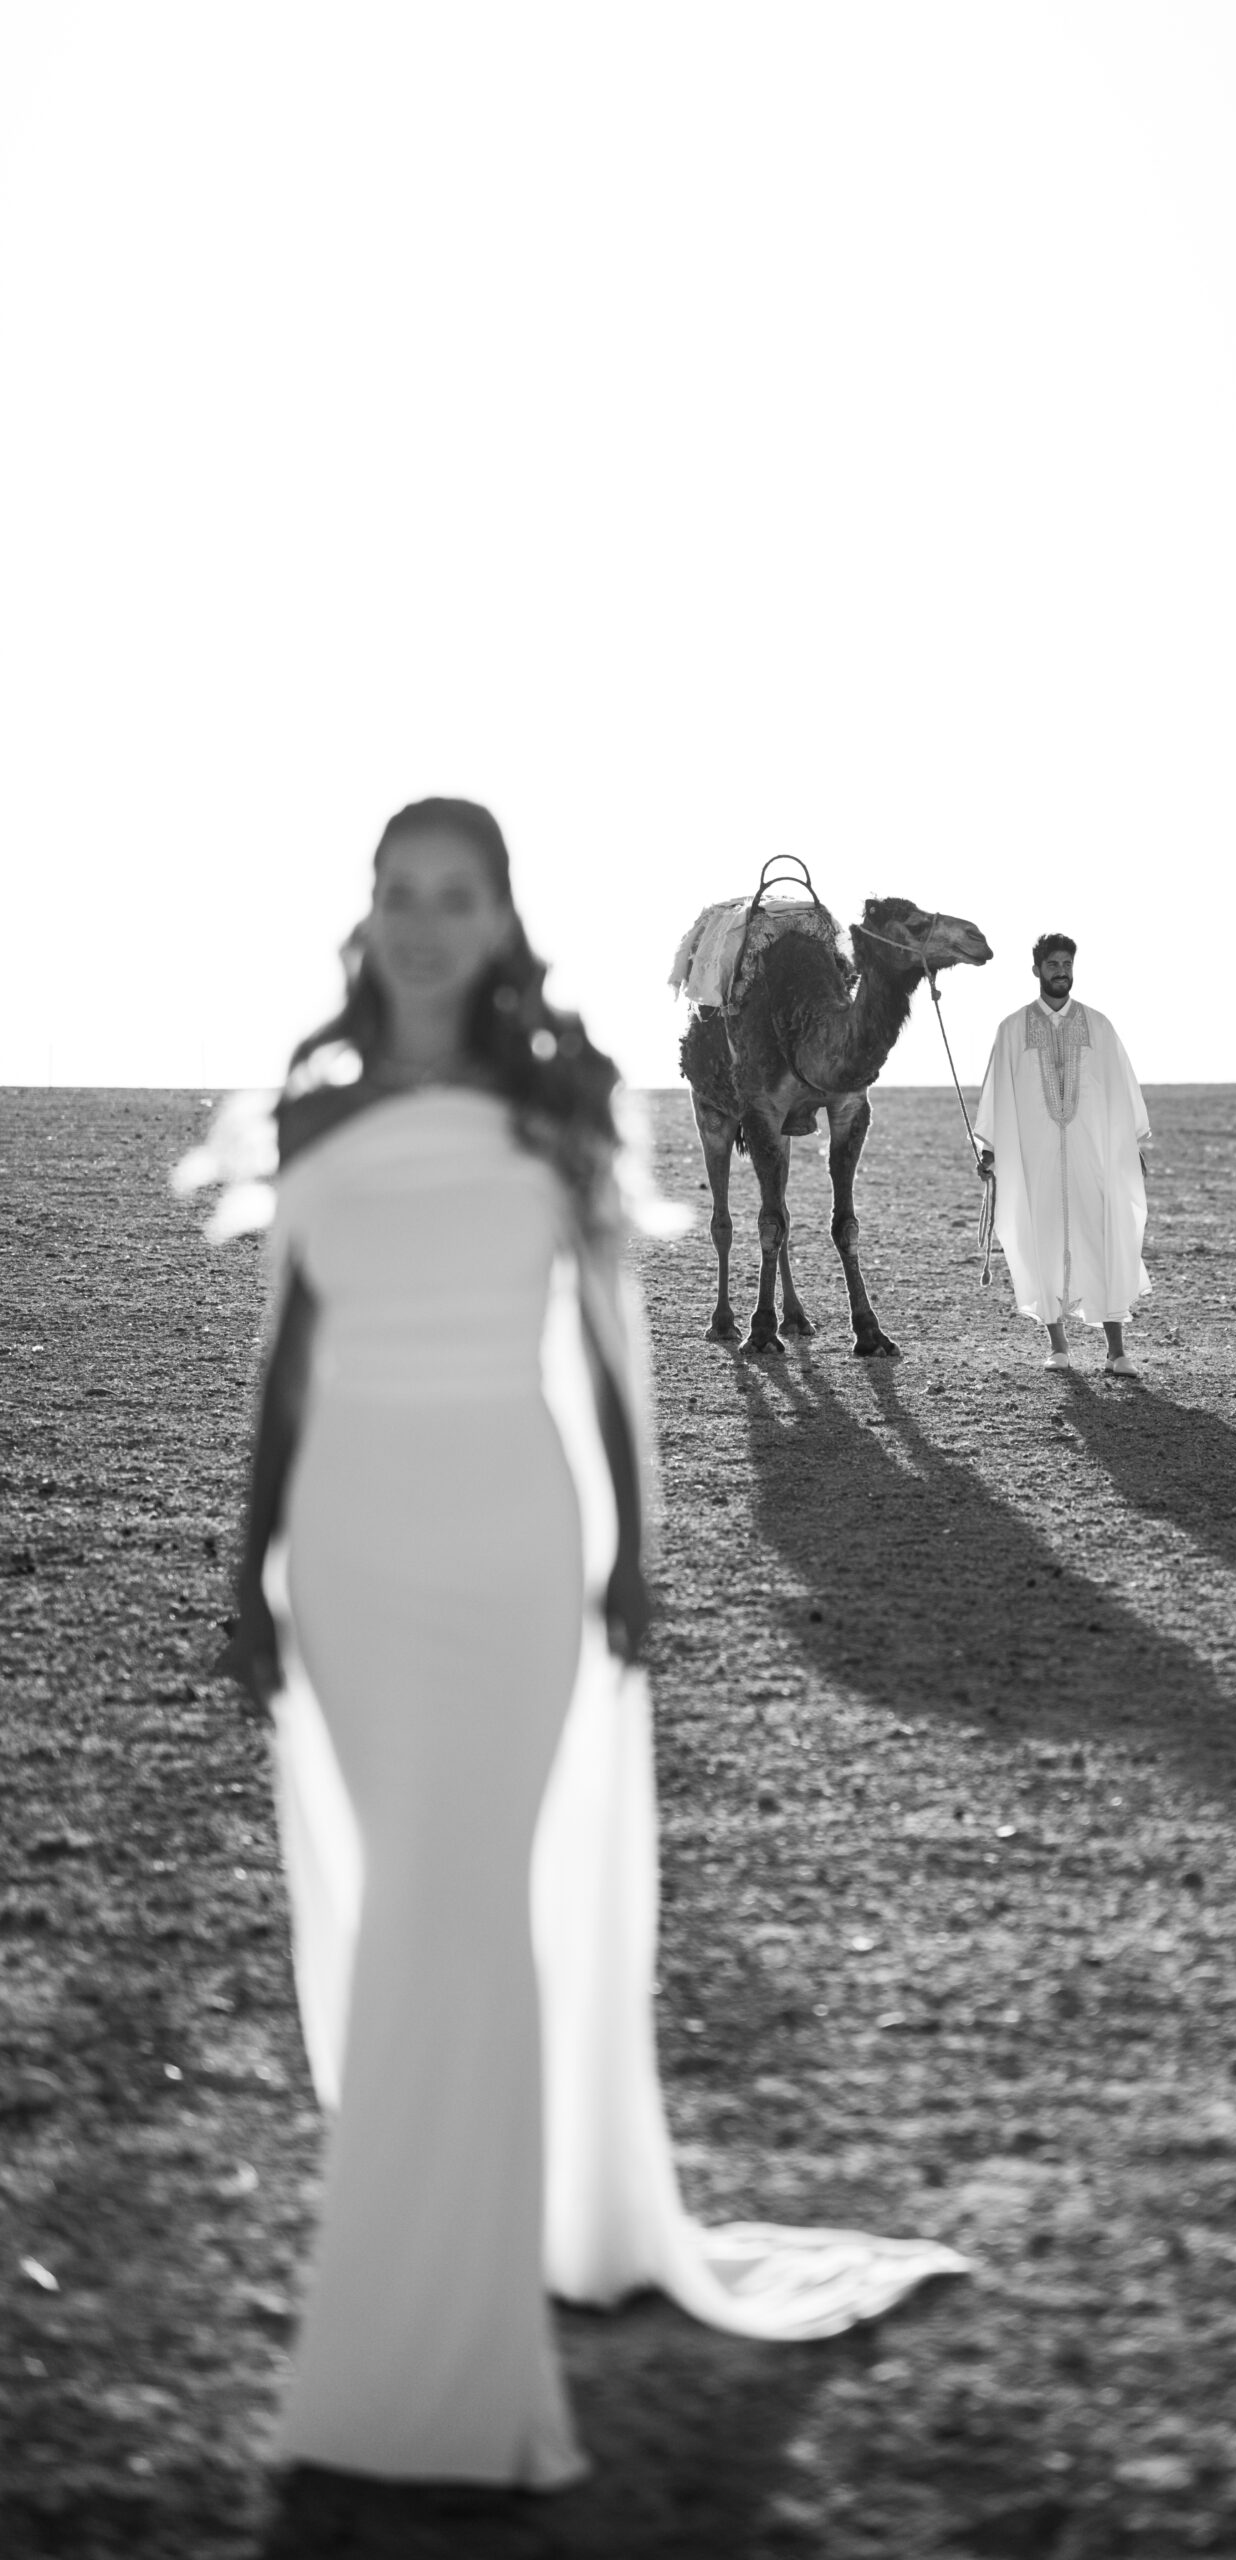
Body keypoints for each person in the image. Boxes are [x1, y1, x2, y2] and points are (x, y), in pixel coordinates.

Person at [186, 797, 965, 2494]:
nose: (425, 920)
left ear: (498, 917)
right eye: (400, 892)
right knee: (395, 1917)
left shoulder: (558, 1105)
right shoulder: (321, 1108)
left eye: (455, 894)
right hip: (358, 1556)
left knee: (466, 1911)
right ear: (371, 913)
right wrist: (254, 1573)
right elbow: (286, 1354)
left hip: (518, 1559)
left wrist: (629, 1560)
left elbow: (609, 1354)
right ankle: (438, 2248)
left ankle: (447, 2312)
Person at [973, 931, 1152, 1375]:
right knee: (1042, 1241)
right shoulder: (1012, 1029)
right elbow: (998, 1094)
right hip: (1036, 1157)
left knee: (1105, 1236)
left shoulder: (1099, 1026)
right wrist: (991, 1150)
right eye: (1053, 965)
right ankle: (1059, 1348)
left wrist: (1128, 1148)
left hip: (1093, 1156)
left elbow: (1120, 1090)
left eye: (1067, 965)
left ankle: (1116, 1352)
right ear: (1037, 970)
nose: (1061, 972)